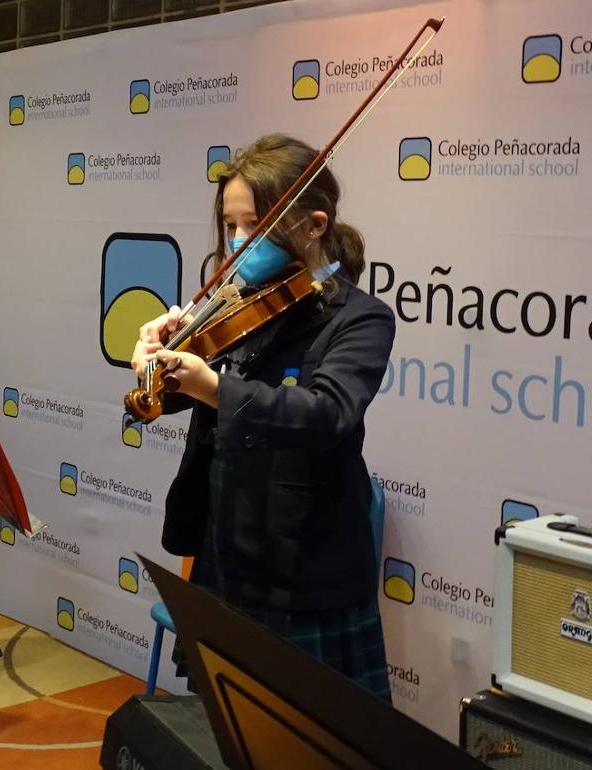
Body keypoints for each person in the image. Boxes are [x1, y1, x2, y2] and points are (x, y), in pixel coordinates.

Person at [131, 134, 395, 701]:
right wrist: (158, 363)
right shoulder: (241, 304)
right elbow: (179, 396)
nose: (237, 242)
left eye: (254, 226)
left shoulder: (361, 319)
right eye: (231, 226)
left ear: (315, 225)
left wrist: (214, 385)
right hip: (228, 546)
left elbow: (327, 412)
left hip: (303, 561)